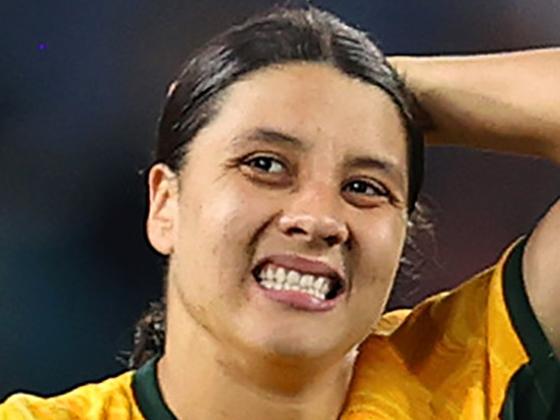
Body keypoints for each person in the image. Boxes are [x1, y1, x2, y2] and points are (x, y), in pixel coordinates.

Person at [1, 5, 559, 420]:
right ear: (165, 205)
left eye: (365, 186)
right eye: (266, 165)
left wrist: (367, 86)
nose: (318, 218)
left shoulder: (467, 384)